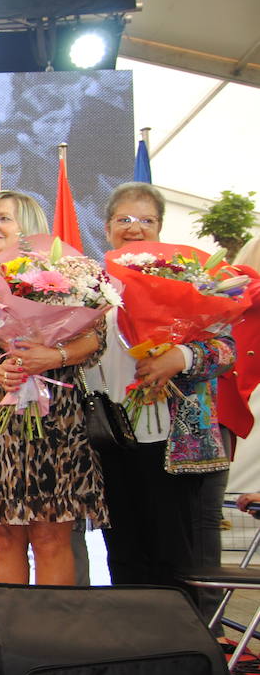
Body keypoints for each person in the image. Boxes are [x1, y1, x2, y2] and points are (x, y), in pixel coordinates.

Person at [0, 190, 107, 586]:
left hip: (54, 426)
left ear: (30, 228)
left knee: (51, 537)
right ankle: (10, 639)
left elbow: (95, 340)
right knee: (1, 538)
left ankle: (52, 638)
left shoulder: (66, 278)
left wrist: (55, 356)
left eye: (4, 219)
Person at [87, 183, 234, 597]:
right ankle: (136, 648)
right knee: (123, 552)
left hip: (175, 440)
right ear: (107, 226)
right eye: (124, 220)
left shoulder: (191, 280)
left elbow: (227, 350)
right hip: (109, 439)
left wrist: (181, 358)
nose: (134, 228)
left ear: (160, 228)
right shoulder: (91, 287)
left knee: (175, 555)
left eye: (146, 220)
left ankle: (181, 649)